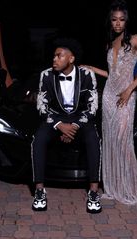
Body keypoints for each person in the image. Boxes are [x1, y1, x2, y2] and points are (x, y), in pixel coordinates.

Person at [82, 0, 137, 205]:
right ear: (110, 22)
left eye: (122, 19)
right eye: (114, 20)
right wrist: (93, 69)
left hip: (126, 97)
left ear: (127, 20)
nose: (118, 23)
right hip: (109, 97)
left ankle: (130, 188)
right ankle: (114, 187)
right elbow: (112, 74)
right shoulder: (110, 44)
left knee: (123, 142)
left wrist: (129, 90)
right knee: (111, 142)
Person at [31, 38, 102, 213]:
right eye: (54, 56)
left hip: (80, 118)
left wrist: (74, 126)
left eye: (59, 56)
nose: (54, 59)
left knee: (93, 139)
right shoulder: (46, 75)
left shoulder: (86, 75)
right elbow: (42, 106)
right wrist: (60, 125)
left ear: (71, 59)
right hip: (55, 118)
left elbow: (92, 106)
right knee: (38, 140)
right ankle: (39, 190)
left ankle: (93, 192)